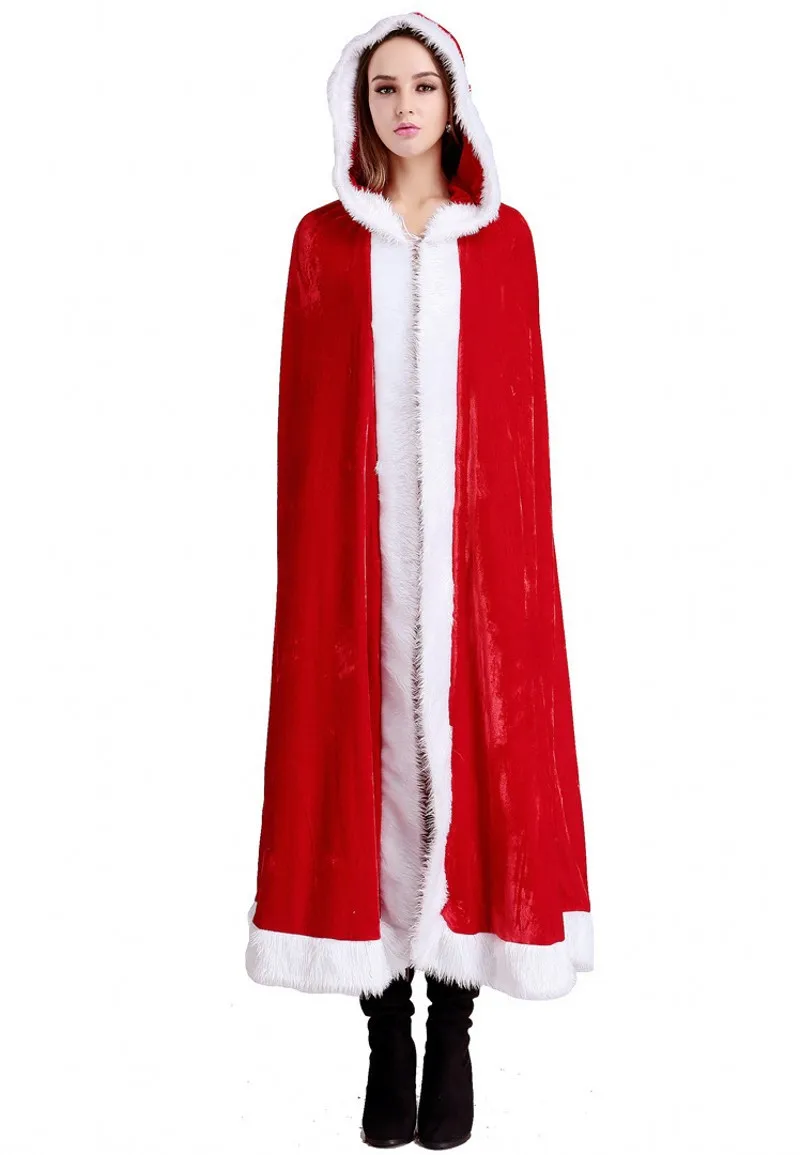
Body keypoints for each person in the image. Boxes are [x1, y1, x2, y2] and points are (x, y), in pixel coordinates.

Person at [245, 12, 594, 1150]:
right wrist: (321, 575)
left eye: (423, 87)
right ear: (360, 104)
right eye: (384, 88)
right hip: (355, 570)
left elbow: (521, 426)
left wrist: (509, 580)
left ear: (455, 104)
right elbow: (303, 432)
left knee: (473, 773)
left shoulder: (504, 242)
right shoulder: (318, 244)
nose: (404, 107)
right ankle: (382, 1024)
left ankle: (453, 1023)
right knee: (364, 774)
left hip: (479, 572)